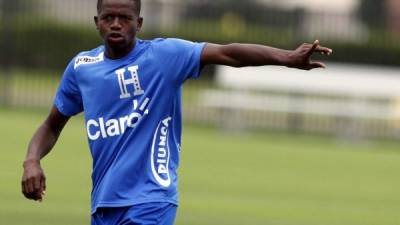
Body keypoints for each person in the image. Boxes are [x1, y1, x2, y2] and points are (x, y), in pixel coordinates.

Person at [21, 0, 332, 224]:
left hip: (151, 200)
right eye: (108, 17)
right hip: (103, 204)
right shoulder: (81, 68)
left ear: (139, 23)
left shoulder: (164, 56)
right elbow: (52, 124)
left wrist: (287, 57)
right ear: (97, 21)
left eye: (125, 18)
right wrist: (32, 161)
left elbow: (228, 52)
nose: (116, 23)